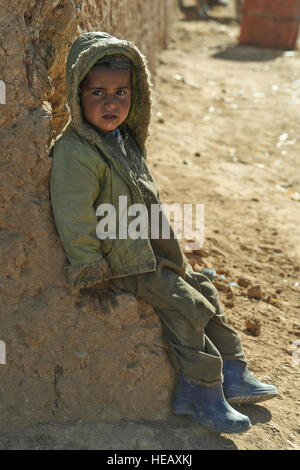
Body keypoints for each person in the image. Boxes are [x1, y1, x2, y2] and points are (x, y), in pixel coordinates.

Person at [50, 32, 278, 434]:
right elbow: (74, 217)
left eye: (122, 92)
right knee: (184, 305)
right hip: (125, 261)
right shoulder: (76, 151)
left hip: (150, 249)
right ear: (77, 93)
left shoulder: (122, 141)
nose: (111, 103)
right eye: (98, 92)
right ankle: (200, 393)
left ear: (136, 95)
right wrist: (90, 268)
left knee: (203, 290)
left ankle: (234, 373)